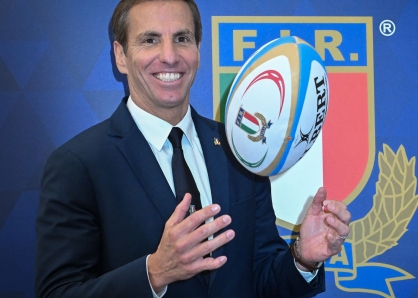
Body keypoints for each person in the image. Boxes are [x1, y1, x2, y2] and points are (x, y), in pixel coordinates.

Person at [35, 0, 351, 297]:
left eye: (182, 38)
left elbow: (260, 279)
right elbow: (58, 292)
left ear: (198, 50)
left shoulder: (240, 150)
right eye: (150, 40)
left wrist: (302, 259)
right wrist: (154, 273)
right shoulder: (78, 164)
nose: (170, 56)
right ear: (120, 56)